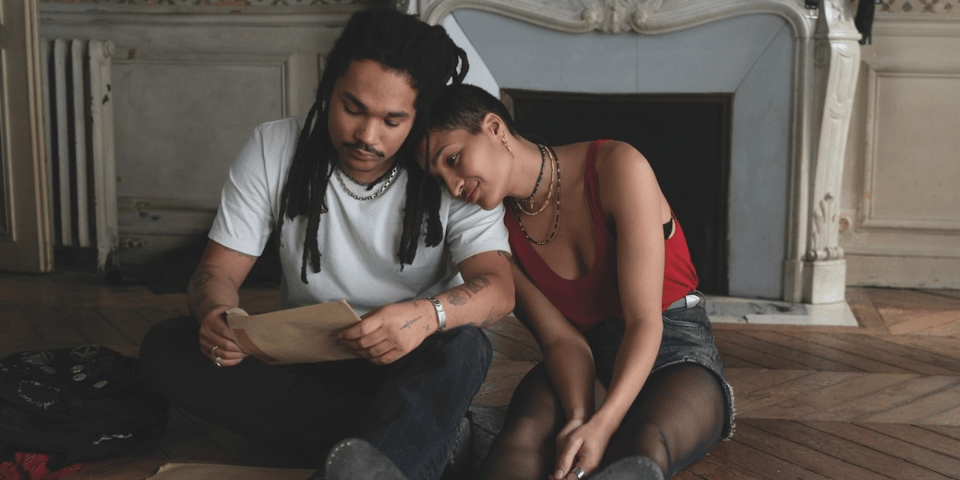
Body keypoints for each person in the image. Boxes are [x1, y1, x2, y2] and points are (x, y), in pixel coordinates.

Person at [137, 10, 514, 480]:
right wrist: (217, 316)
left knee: (465, 347)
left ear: (419, 116)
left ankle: (382, 448)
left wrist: (425, 317)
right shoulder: (274, 146)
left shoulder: (451, 168)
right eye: (352, 108)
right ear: (328, 85)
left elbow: (498, 288)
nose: (366, 135)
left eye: (393, 120)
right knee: (167, 347)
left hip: (406, 362)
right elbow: (216, 273)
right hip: (306, 363)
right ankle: (411, 443)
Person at [419, 84, 735, 480]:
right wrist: (581, 417)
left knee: (642, 444)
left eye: (452, 159)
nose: (453, 187)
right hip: (582, 356)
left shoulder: (619, 165)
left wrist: (603, 425)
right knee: (525, 436)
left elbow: (644, 321)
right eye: (440, 177)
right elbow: (561, 341)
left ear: (495, 128)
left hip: (672, 346)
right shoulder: (492, 234)